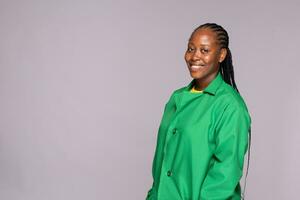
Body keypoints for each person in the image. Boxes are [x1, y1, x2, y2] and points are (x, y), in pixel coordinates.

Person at [146, 23, 252, 200]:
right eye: (191, 48)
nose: (194, 56)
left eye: (204, 50)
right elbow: (162, 163)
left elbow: (225, 173)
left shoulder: (230, 106)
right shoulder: (176, 98)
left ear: (221, 55)